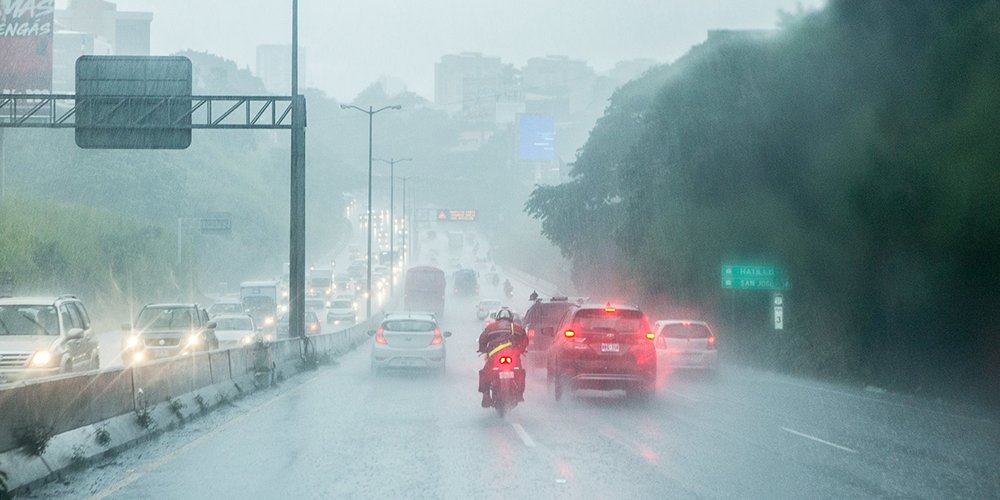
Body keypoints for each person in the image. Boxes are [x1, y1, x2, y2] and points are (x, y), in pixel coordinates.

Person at [477, 308, 529, 407]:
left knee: (485, 373)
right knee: (520, 371)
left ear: (498, 318)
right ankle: (519, 393)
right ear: (510, 318)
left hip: (494, 358)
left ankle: (486, 395)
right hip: (513, 357)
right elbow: (525, 340)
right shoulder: (516, 327)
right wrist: (520, 349)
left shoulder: (491, 327)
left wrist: (482, 349)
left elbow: (482, 339)